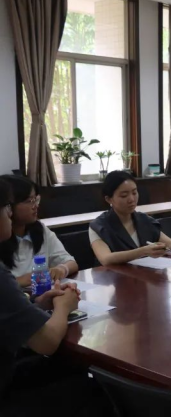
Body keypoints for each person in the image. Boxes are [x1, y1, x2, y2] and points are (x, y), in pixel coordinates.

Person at [0, 178, 106, 416]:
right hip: (8, 387)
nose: (8, 214)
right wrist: (63, 307)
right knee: (100, 388)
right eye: (6, 206)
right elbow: (46, 343)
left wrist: (37, 304)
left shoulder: (40, 231)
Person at [90, 171, 171, 266]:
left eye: (134, 193)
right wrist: (143, 251)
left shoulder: (144, 220)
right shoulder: (99, 226)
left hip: (142, 274)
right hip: (113, 277)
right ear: (109, 199)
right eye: (124, 196)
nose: (131, 199)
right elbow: (106, 259)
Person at [0, 176, 79, 287]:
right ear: (9, 206)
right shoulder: (3, 237)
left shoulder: (40, 230)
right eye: (29, 201)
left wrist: (61, 269)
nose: (35, 206)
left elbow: (71, 262)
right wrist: (19, 281)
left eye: (36, 199)